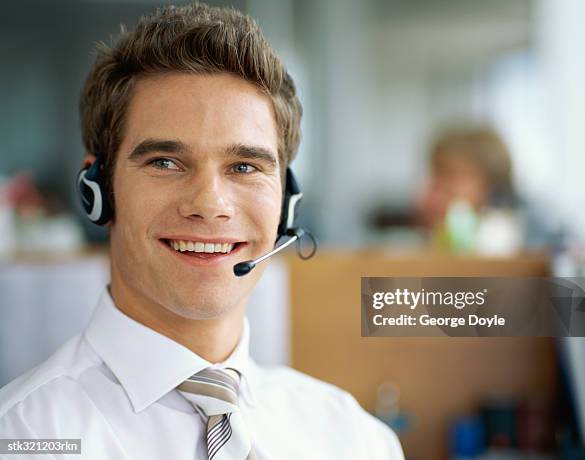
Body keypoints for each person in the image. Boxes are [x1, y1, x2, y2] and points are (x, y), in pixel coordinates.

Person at [0, 4, 403, 459]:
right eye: (165, 163)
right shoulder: (22, 436)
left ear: (287, 202)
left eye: (245, 166)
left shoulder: (356, 439)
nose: (210, 204)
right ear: (97, 190)